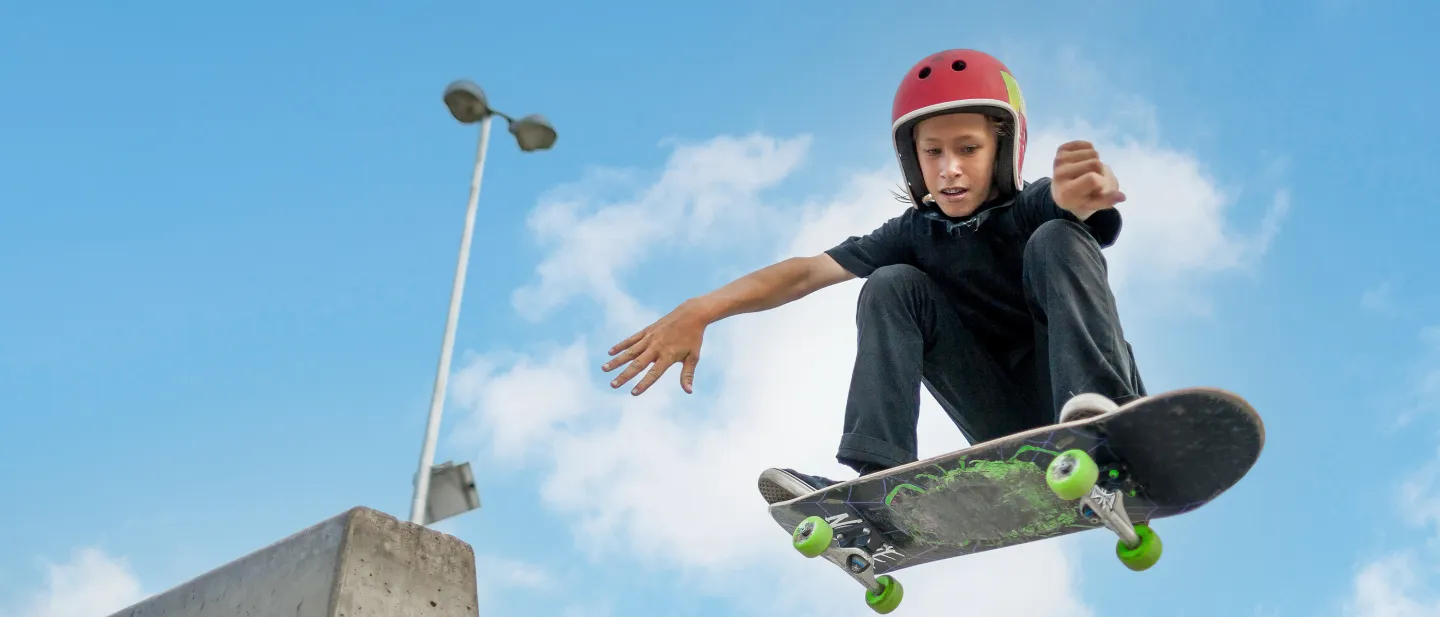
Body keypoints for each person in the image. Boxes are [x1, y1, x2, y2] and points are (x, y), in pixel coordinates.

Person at [599, 49, 1147, 504]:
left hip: (1084, 398)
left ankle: (1105, 420)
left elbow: (1062, 203)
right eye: (932, 152)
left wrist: (1076, 199)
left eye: (968, 149)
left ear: (1004, 149)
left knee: (1057, 234)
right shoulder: (912, 233)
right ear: (913, 162)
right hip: (1009, 424)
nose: (949, 167)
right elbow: (806, 272)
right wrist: (703, 308)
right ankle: (879, 489)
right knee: (890, 283)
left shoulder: (1028, 206)